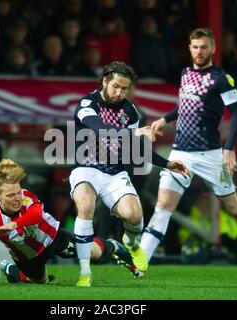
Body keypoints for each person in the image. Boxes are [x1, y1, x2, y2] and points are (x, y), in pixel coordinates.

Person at [139, 28, 237, 264]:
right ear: (189, 48)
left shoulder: (221, 79)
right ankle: (141, 261)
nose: (199, 51)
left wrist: (228, 149)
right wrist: (164, 119)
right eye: (195, 47)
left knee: (233, 207)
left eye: (204, 47)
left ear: (213, 48)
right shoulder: (185, 73)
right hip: (181, 152)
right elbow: (184, 106)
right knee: (163, 206)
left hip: (210, 155)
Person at [70, 61, 189, 286]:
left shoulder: (129, 111)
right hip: (86, 168)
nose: (120, 93)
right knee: (86, 206)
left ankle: (130, 243)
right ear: (104, 80)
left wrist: (166, 164)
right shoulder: (88, 103)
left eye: (125, 88)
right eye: (116, 86)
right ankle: (84, 273)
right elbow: (99, 129)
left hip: (114, 173)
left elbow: (134, 149)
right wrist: (133, 134)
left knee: (135, 217)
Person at [0, 159, 140, 287]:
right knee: (37, 280)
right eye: (10, 195)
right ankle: (11, 269)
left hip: (53, 239)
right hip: (27, 257)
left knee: (93, 253)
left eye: (18, 192)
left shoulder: (26, 197)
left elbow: (36, 213)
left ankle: (112, 245)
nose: (17, 198)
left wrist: (15, 225)